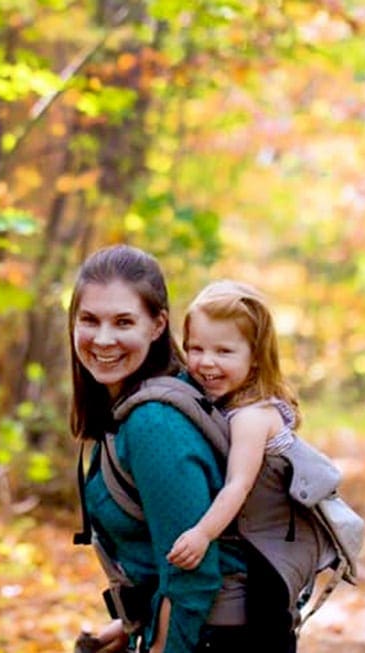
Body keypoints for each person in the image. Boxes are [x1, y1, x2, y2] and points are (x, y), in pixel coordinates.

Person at [69, 245, 251, 653]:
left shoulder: (155, 424)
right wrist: (126, 630)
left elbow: (193, 578)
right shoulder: (129, 412)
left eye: (123, 322)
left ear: (157, 326)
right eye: (89, 320)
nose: (103, 339)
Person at [166, 279, 330, 652]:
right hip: (257, 545)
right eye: (196, 348)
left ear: (255, 356)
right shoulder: (225, 402)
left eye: (224, 351)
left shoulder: (251, 417)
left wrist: (202, 534)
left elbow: (238, 486)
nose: (206, 361)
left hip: (268, 561)